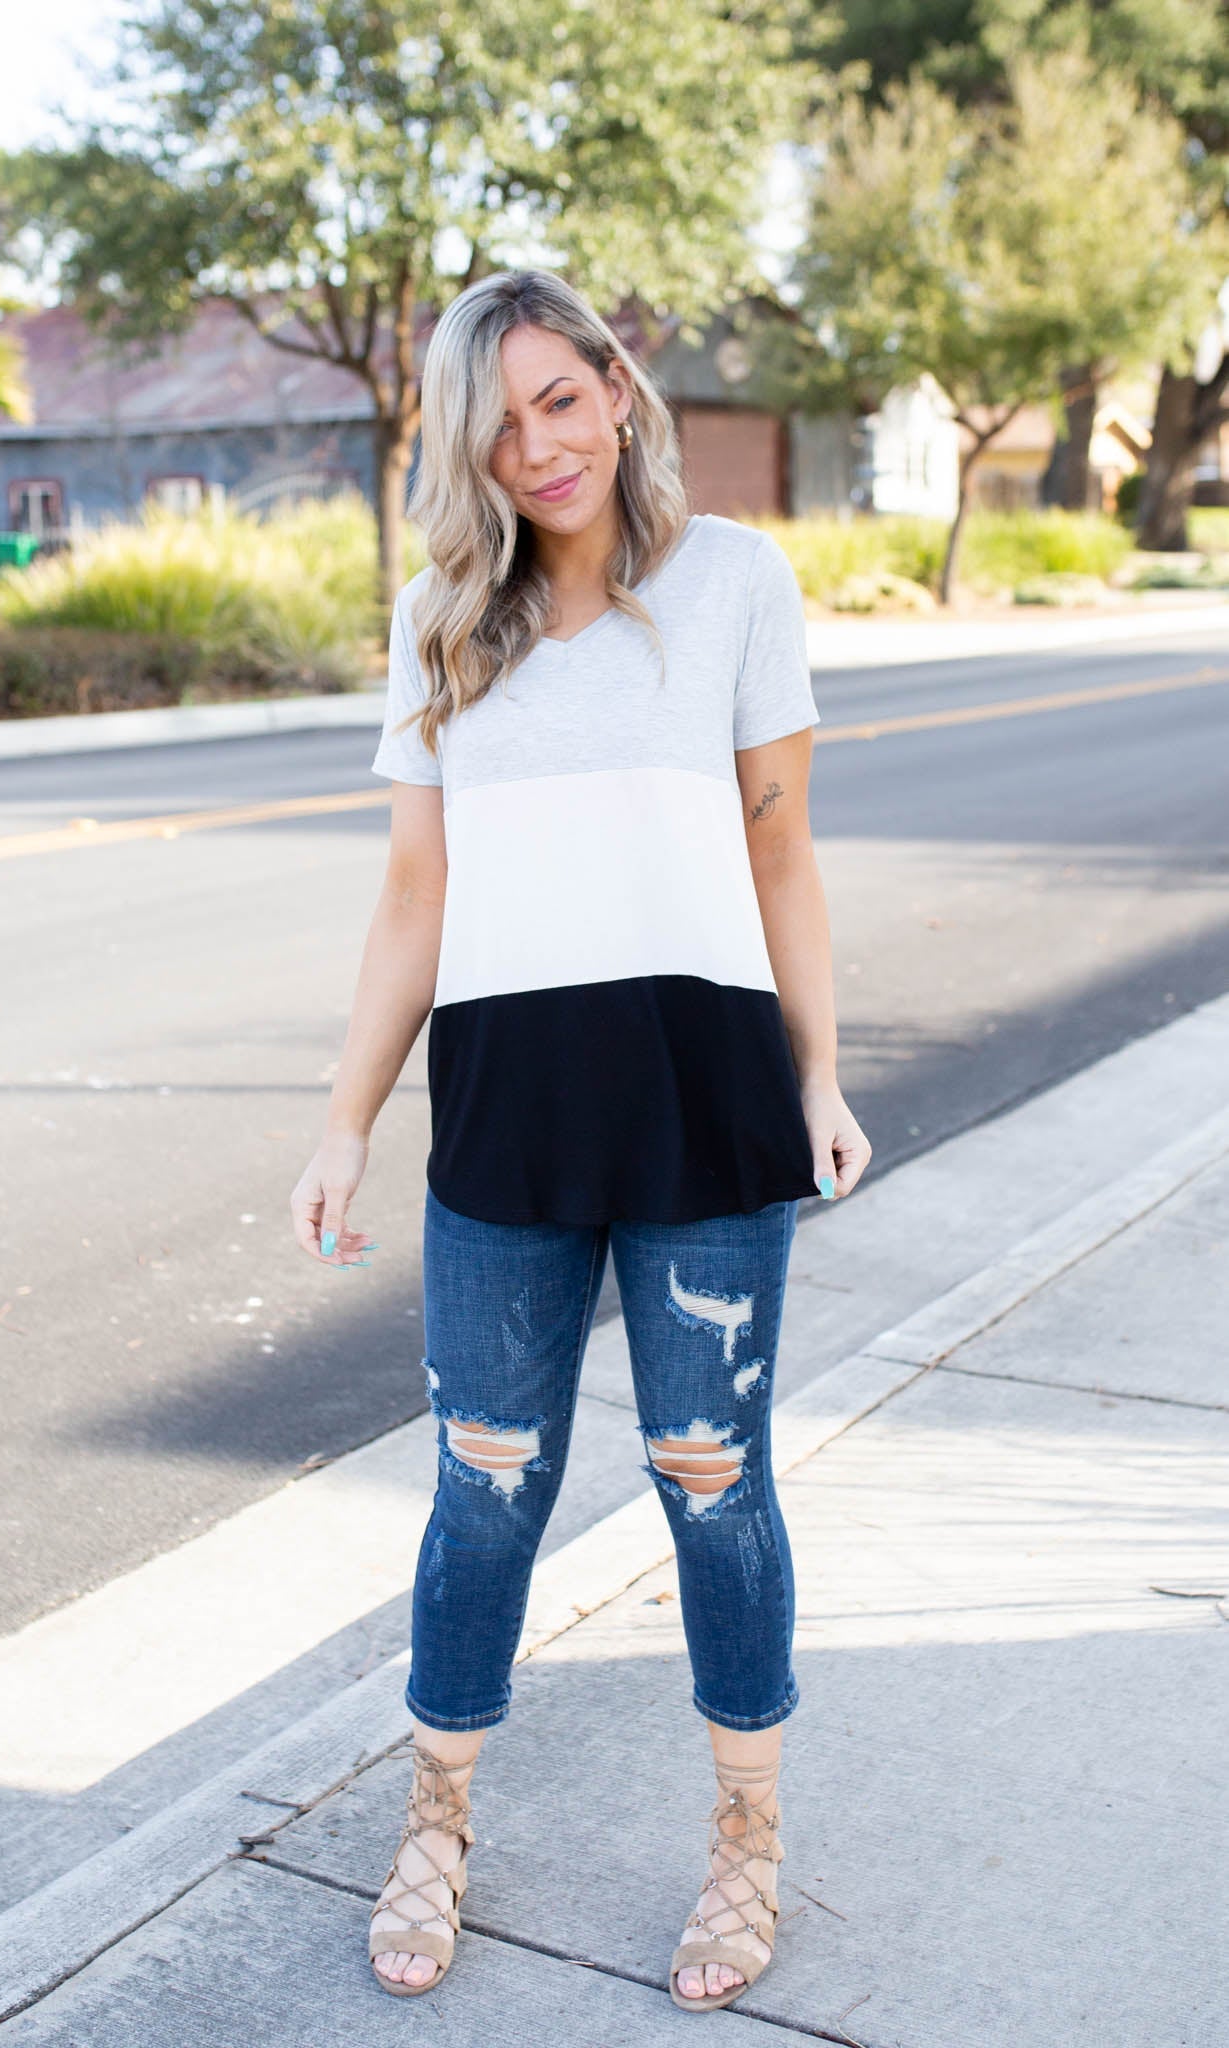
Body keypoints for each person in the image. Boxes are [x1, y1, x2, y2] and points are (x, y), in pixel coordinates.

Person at [290, 267, 870, 2014]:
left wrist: (818, 1076)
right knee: (481, 1489)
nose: (536, 444)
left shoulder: (735, 584)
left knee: (711, 1485)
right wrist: (343, 1121)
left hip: (705, 1097)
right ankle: (438, 1824)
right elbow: (414, 894)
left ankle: (746, 1842)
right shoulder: (440, 617)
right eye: (498, 420)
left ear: (618, 390)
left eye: (558, 397)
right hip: (508, 1111)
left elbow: (781, 854)